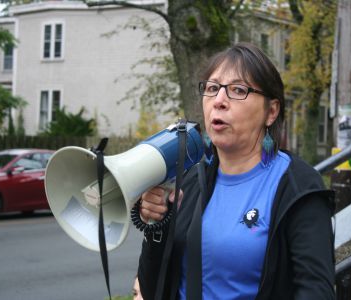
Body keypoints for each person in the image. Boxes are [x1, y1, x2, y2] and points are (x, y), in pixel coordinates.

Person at [136, 42, 336, 299]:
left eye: (238, 90)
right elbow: (154, 290)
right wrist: (157, 225)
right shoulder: (189, 181)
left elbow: (315, 291)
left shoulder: (297, 184)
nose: (219, 101)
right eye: (212, 88)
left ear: (271, 111)